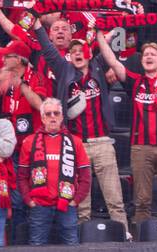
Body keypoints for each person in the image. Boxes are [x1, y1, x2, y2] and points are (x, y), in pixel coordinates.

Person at [32, 20, 125, 233]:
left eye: (81, 49)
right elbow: (47, 48)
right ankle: (82, 244)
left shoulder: (99, 68)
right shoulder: (64, 70)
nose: (77, 53)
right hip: (76, 145)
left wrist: (115, 25)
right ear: (69, 56)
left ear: (89, 53)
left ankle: (123, 238)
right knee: (81, 203)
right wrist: (37, 26)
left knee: (115, 199)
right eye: (72, 51)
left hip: (102, 142)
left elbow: (112, 51)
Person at [95, 32, 157, 226]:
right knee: (142, 202)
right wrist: (99, 35)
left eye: (153, 54)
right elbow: (112, 60)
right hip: (140, 149)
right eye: (145, 55)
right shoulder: (135, 81)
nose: (148, 57)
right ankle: (141, 246)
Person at [17, 97, 91, 245]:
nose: (52, 117)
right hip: (39, 206)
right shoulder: (29, 142)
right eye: (48, 114)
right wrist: (29, 201)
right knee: (37, 248)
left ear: (62, 117)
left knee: (71, 248)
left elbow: (85, 176)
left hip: (66, 205)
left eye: (56, 113)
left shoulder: (75, 142)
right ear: (42, 118)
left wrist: (75, 201)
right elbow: (22, 177)